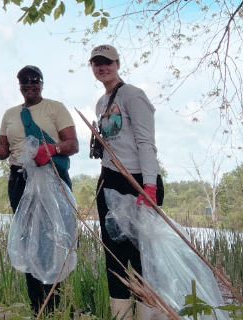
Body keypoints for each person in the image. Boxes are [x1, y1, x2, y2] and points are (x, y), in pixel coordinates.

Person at [0, 65, 79, 316]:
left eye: (34, 80)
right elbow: (4, 152)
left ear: (42, 82)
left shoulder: (55, 108)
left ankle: (55, 306)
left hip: (52, 179)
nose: (29, 84)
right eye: (24, 81)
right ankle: (37, 307)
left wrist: (50, 150)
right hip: (20, 181)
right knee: (28, 241)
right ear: (19, 85)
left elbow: (72, 144)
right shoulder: (11, 114)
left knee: (53, 239)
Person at [89, 44, 165, 320]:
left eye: (107, 62)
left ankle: (148, 315)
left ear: (118, 64)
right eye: (97, 63)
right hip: (110, 183)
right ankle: (121, 316)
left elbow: (146, 143)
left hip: (138, 183)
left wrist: (150, 187)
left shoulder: (133, 95)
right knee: (115, 258)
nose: (102, 67)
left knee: (143, 256)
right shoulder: (101, 102)